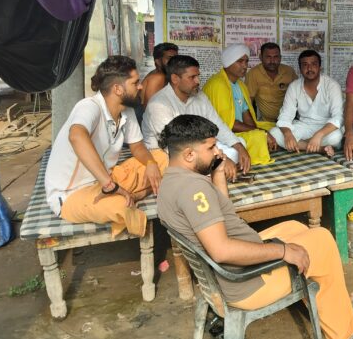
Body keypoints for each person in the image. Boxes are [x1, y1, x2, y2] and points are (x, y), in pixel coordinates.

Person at [157, 115, 353, 339]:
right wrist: (282, 251)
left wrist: (217, 173)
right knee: (323, 240)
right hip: (244, 282)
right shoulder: (194, 190)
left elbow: (224, 215)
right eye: (211, 147)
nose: (217, 152)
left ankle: (334, 301)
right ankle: (343, 330)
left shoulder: (171, 180)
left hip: (229, 270)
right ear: (189, 155)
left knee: (294, 227)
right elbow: (222, 251)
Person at [44, 56, 168, 237]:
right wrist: (109, 185)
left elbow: (138, 147)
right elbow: (76, 136)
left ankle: (132, 193)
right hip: (72, 194)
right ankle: (131, 195)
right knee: (121, 207)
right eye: (135, 83)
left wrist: (150, 163)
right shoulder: (89, 106)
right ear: (118, 89)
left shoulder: (127, 109)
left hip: (108, 178)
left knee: (161, 158)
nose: (141, 86)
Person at [141, 55, 252, 178]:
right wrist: (219, 160)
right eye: (192, 77)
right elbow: (175, 143)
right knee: (189, 161)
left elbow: (217, 124)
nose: (198, 81)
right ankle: (215, 170)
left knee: (238, 145)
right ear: (175, 79)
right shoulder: (159, 104)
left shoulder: (200, 96)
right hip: (169, 153)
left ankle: (214, 170)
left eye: (198, 76)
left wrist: (239, 147)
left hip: (198, 147)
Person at [203, 44, 276, 165]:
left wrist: (260, 131)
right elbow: (227, 125)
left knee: (273, 128)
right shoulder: (218, 84)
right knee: (259, 135)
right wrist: (260, 133)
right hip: (221, 134)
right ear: (228, 62)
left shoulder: (240, 85)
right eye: (240, 61)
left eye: (246, 61)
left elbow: (246, 115)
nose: (245, 65)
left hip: (237, 130)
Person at [269, 50, 343, 156]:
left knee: (336, 136)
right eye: (305, 65)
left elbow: (338, 117)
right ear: (300, 69)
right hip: (304, 126)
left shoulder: (332, 85)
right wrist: (288, 134)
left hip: (325, 128)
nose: (309, 68)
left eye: (313, 64)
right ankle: (319, 149)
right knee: (274, 133)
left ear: (320, 67)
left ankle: (302, 145)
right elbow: (285, 115)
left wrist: (318, 135)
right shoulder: (294, 86)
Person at [245, 42, 297, 123]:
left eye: (275, 57)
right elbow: (248, 101)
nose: (272, 61)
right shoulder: (253, 74)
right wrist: (250, 124)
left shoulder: (289, 71)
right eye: (268, 57)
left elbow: (299, 95)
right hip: (266, 122)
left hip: (289, 120)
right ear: (261, 57)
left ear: (280, 58)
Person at [141, 43, 179, 107]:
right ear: (158, 61)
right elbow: (150, 108)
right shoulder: (158, 77)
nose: (174, 62)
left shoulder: (163, 75)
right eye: (170, 58)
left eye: (176, 58)